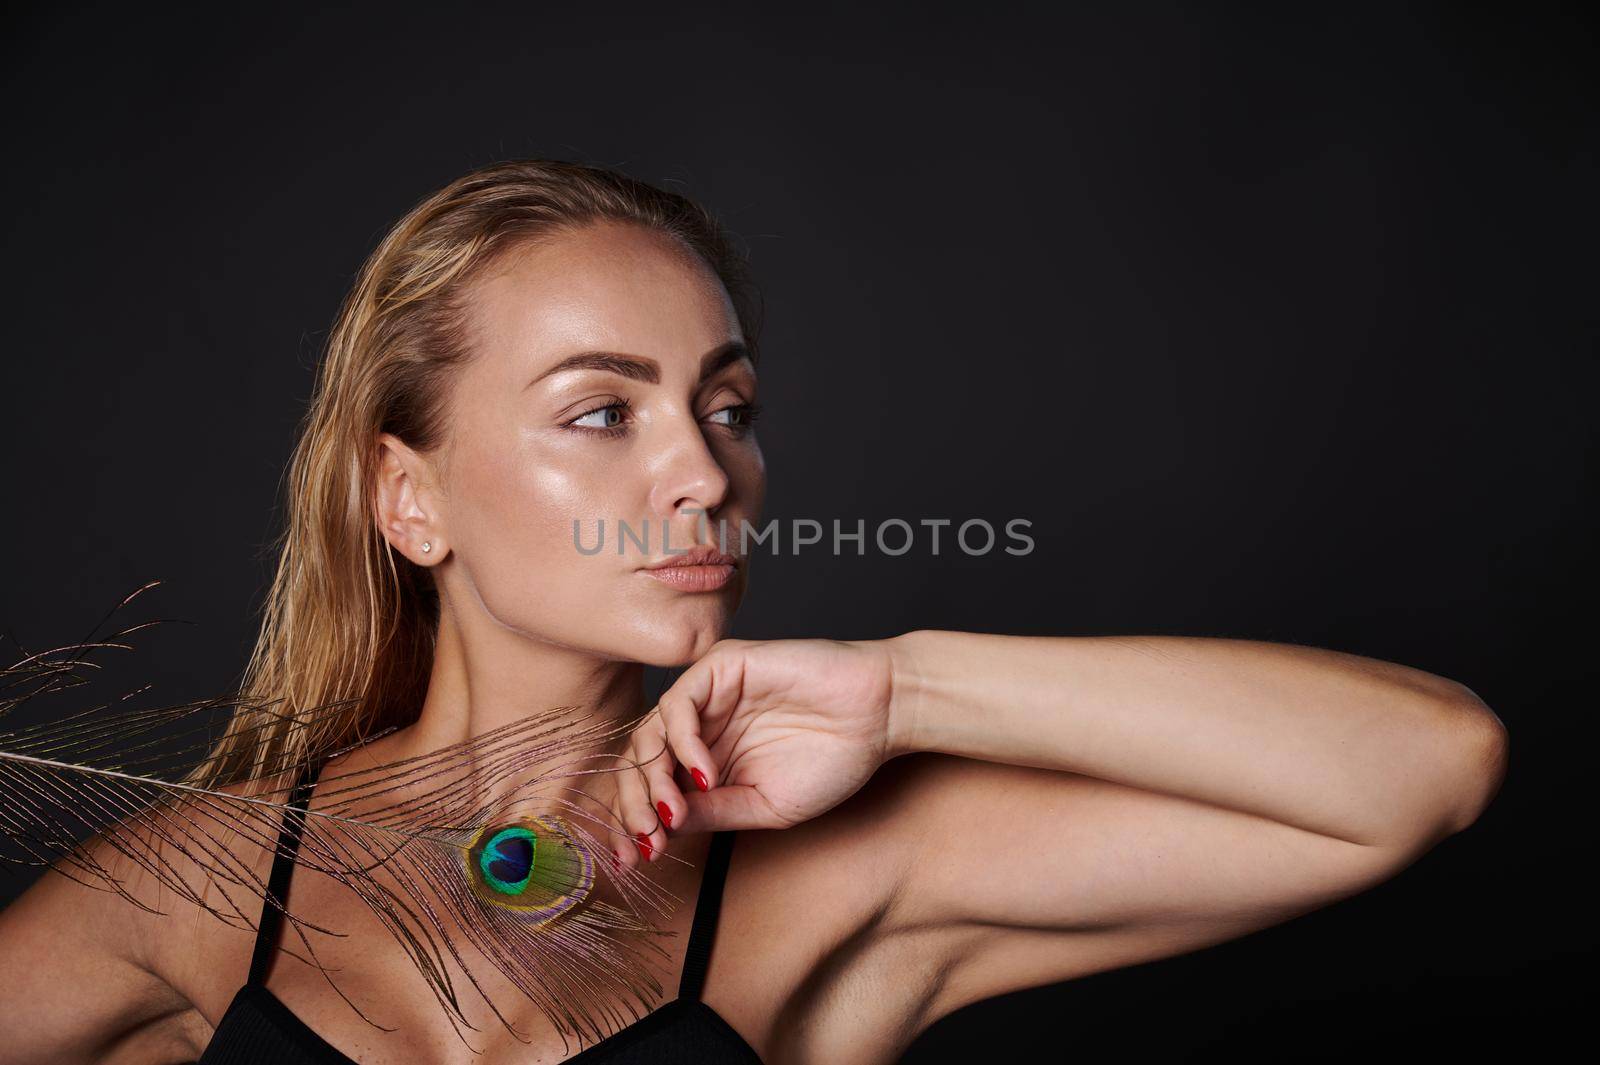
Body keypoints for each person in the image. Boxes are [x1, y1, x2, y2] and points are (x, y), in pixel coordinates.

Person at [0, 159, 1508, 1065]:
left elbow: (1425, 764)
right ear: (410, 498)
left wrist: (908, 689)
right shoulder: (196, 883)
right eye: (603, 411)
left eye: (728, 405)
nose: (703, 471)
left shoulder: (842, 869)